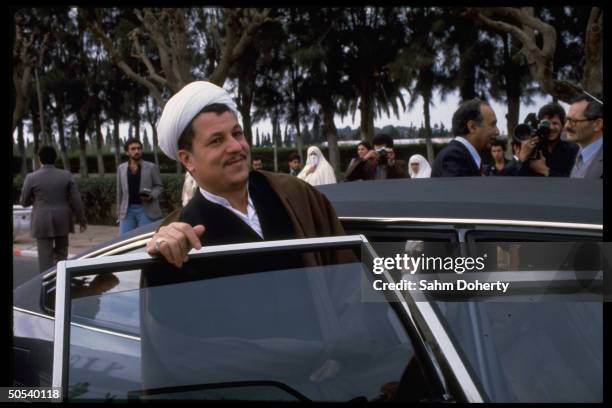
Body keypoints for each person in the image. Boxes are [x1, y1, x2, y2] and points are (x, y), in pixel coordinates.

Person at [149, 80, 349, 267]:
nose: (236, 146)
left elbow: (348, 276)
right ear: (187, 159)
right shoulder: (178, 236)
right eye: (217, 140)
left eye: (237, 133)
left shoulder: (295, 195)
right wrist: (161, 250)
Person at [20, 145, 87, 273]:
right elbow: (77, 200)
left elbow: (24, 202)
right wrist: (82, 220)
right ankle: (61, 282)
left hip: (42, 220)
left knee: (45, 258)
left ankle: (47, 285)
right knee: (62, 255)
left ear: (39, 159)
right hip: (63, 219)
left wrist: (35, 200)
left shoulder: (31, 177)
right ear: (55, 159)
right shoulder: (66, 175)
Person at [431, 99, 500, 177]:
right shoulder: (454, 157)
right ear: (472, 127)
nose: (497, 131)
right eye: (492, 125)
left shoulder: (462, 156)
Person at [116, 138, 163, 234]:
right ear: (127, 152)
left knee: (145, 240)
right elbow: (119, 192)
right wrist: (119, 214)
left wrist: (152, 195)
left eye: (139, 148)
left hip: (146, 210)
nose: (137, 151)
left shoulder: (151, 167)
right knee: (124, 240)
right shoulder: (121, 168)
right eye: (133, 149)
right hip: (127, 211)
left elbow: (159, 186)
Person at [518, 103, 579, 177]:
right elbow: (509, 177)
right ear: (539, 125)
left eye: (555, 123)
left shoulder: (572, 150)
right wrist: (521, 157)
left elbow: (573, 181)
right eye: (546, 123)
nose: (551, 127)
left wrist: (545, 170)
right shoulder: (531, 147)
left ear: (563, 126)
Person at [566, 94, 603, 179]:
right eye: (567, 119)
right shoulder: (577, 154)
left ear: (597, 124)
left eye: (574, 121)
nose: (567, 126)